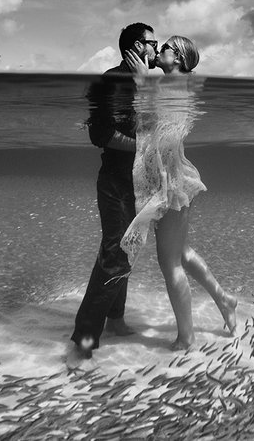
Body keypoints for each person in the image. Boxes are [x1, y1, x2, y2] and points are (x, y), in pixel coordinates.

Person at [121, 35, 237, 350]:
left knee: (169, 262)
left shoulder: (173, 88)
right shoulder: (171, 86)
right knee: (181, 254)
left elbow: (164, 137)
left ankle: (187, 339)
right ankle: (225, 301)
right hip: (170, 180)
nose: (159, 50)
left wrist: (144, 84)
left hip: (169, 184)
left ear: (181, 59)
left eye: (166, 48)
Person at [70, 22, 160, 361]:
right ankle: (85, 337)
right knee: (113, 253)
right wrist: (145, 148)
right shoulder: (109, 82)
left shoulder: (147, 83)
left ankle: (116, 319)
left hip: (138, 183)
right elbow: (100, 136)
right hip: (116, 182)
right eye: (154, 43)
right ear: (137, 46)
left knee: (128, 250)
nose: (156, 49)